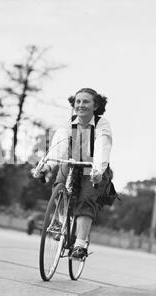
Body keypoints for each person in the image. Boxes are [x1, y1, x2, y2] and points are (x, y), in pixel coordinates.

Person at [35, 87, 113, 259]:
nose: (80, 105)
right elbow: (59, 146)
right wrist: (48, 166)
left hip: (92, 167)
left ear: (95, 105)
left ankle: (80, 244)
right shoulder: (68, 123)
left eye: (86, 101)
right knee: (59, 185)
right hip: (72, 162)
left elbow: (102, 148)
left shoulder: (101, 124)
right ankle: (63, 223)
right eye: (78, 101)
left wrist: (98, 171)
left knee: (87, 198)